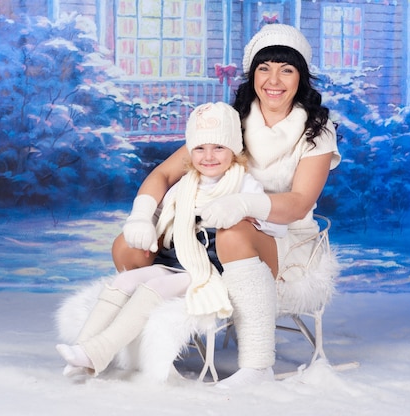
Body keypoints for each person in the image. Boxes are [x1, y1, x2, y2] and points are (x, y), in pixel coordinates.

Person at [111, 23, 341, 388]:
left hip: (280, 238)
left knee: (234, 234)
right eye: (264, 68)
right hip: (203, 235)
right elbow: (163, 175)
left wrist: (244, 203)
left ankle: (256, 366)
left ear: (302, 77)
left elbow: (298, 204)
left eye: (287, 69)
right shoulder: (229, 120)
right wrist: (141, 215)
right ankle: (150, 351)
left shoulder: (316, 129)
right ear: (253, 75)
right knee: (128, 246)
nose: (274, 80)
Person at [56, 102, 286, 377]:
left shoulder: (244, 183)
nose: (209, 156)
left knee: (158, 287)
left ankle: (99, 351)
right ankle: (83, 349)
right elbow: (161, 214)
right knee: (125, 281)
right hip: (176, 257)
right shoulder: (184, 185)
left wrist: (242, 210)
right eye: (200, 148)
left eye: (219, 148)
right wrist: (144, 222)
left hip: (211, 268)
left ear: (234, 151)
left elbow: (276, 226)